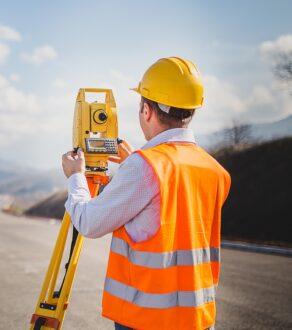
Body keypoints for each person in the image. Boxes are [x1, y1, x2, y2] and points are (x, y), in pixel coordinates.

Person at [61, 57, 231, 330]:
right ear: (191, 111)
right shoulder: (214, 170)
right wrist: (134, 162)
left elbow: (89, 223)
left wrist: (76, 176)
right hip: (197, 318)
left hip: (147, 319)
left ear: (147, 110)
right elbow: (172, 208)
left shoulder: (145, 167)